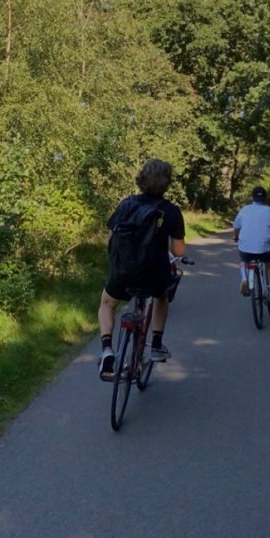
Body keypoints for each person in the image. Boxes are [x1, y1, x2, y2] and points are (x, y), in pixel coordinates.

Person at [98, 158, 186, 378]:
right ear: (167, 183)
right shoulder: (171, 211)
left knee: (107, 303)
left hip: (123, 272)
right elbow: (179, 251)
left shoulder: (126, 204)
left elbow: (111, 238)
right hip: (154, 274)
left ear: (142, 179)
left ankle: (107, 349)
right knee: (161, 296)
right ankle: (156, 344)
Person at [233, 186, 270, 304]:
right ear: (265, 198)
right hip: (264, 249)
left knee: (243, 260)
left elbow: (236, 227)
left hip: (246, 249)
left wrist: (236, 237)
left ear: (253, 198)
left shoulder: (244, 209)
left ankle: (244, 278)